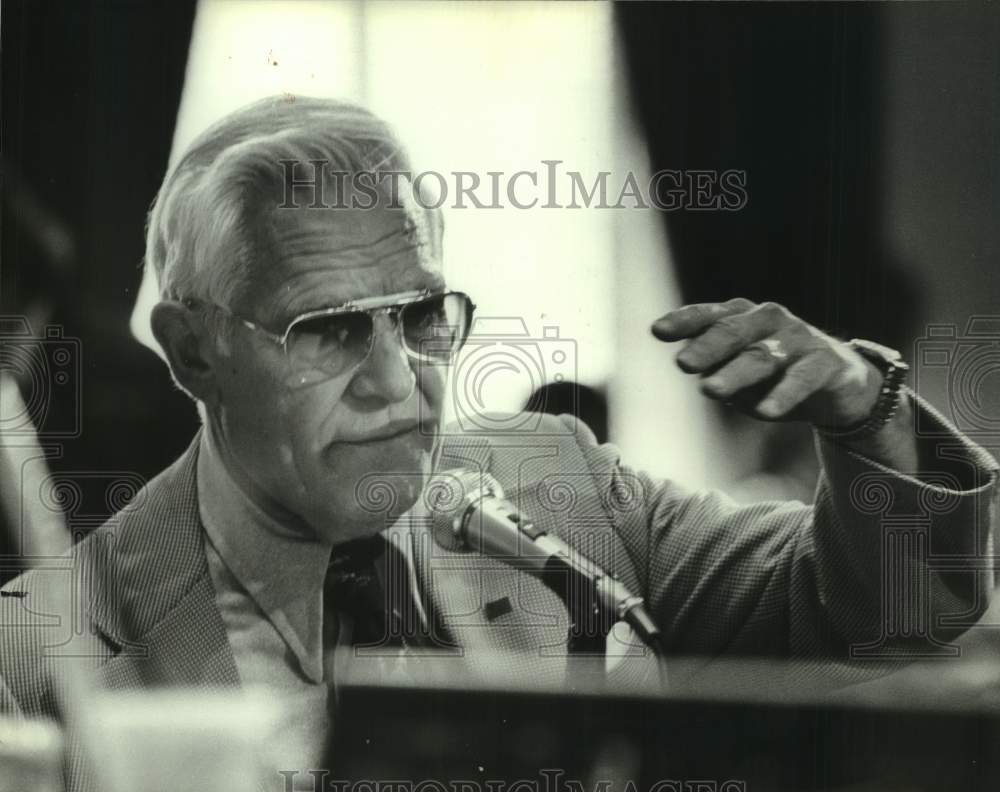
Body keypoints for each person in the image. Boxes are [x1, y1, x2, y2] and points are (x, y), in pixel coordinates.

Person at [0, 95, 996, 783]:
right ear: (194, 351)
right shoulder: (41, 651)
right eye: (332, 330)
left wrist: (866, 412)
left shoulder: (554, 479)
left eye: (423, 316)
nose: (400, 386)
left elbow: (887, 608)